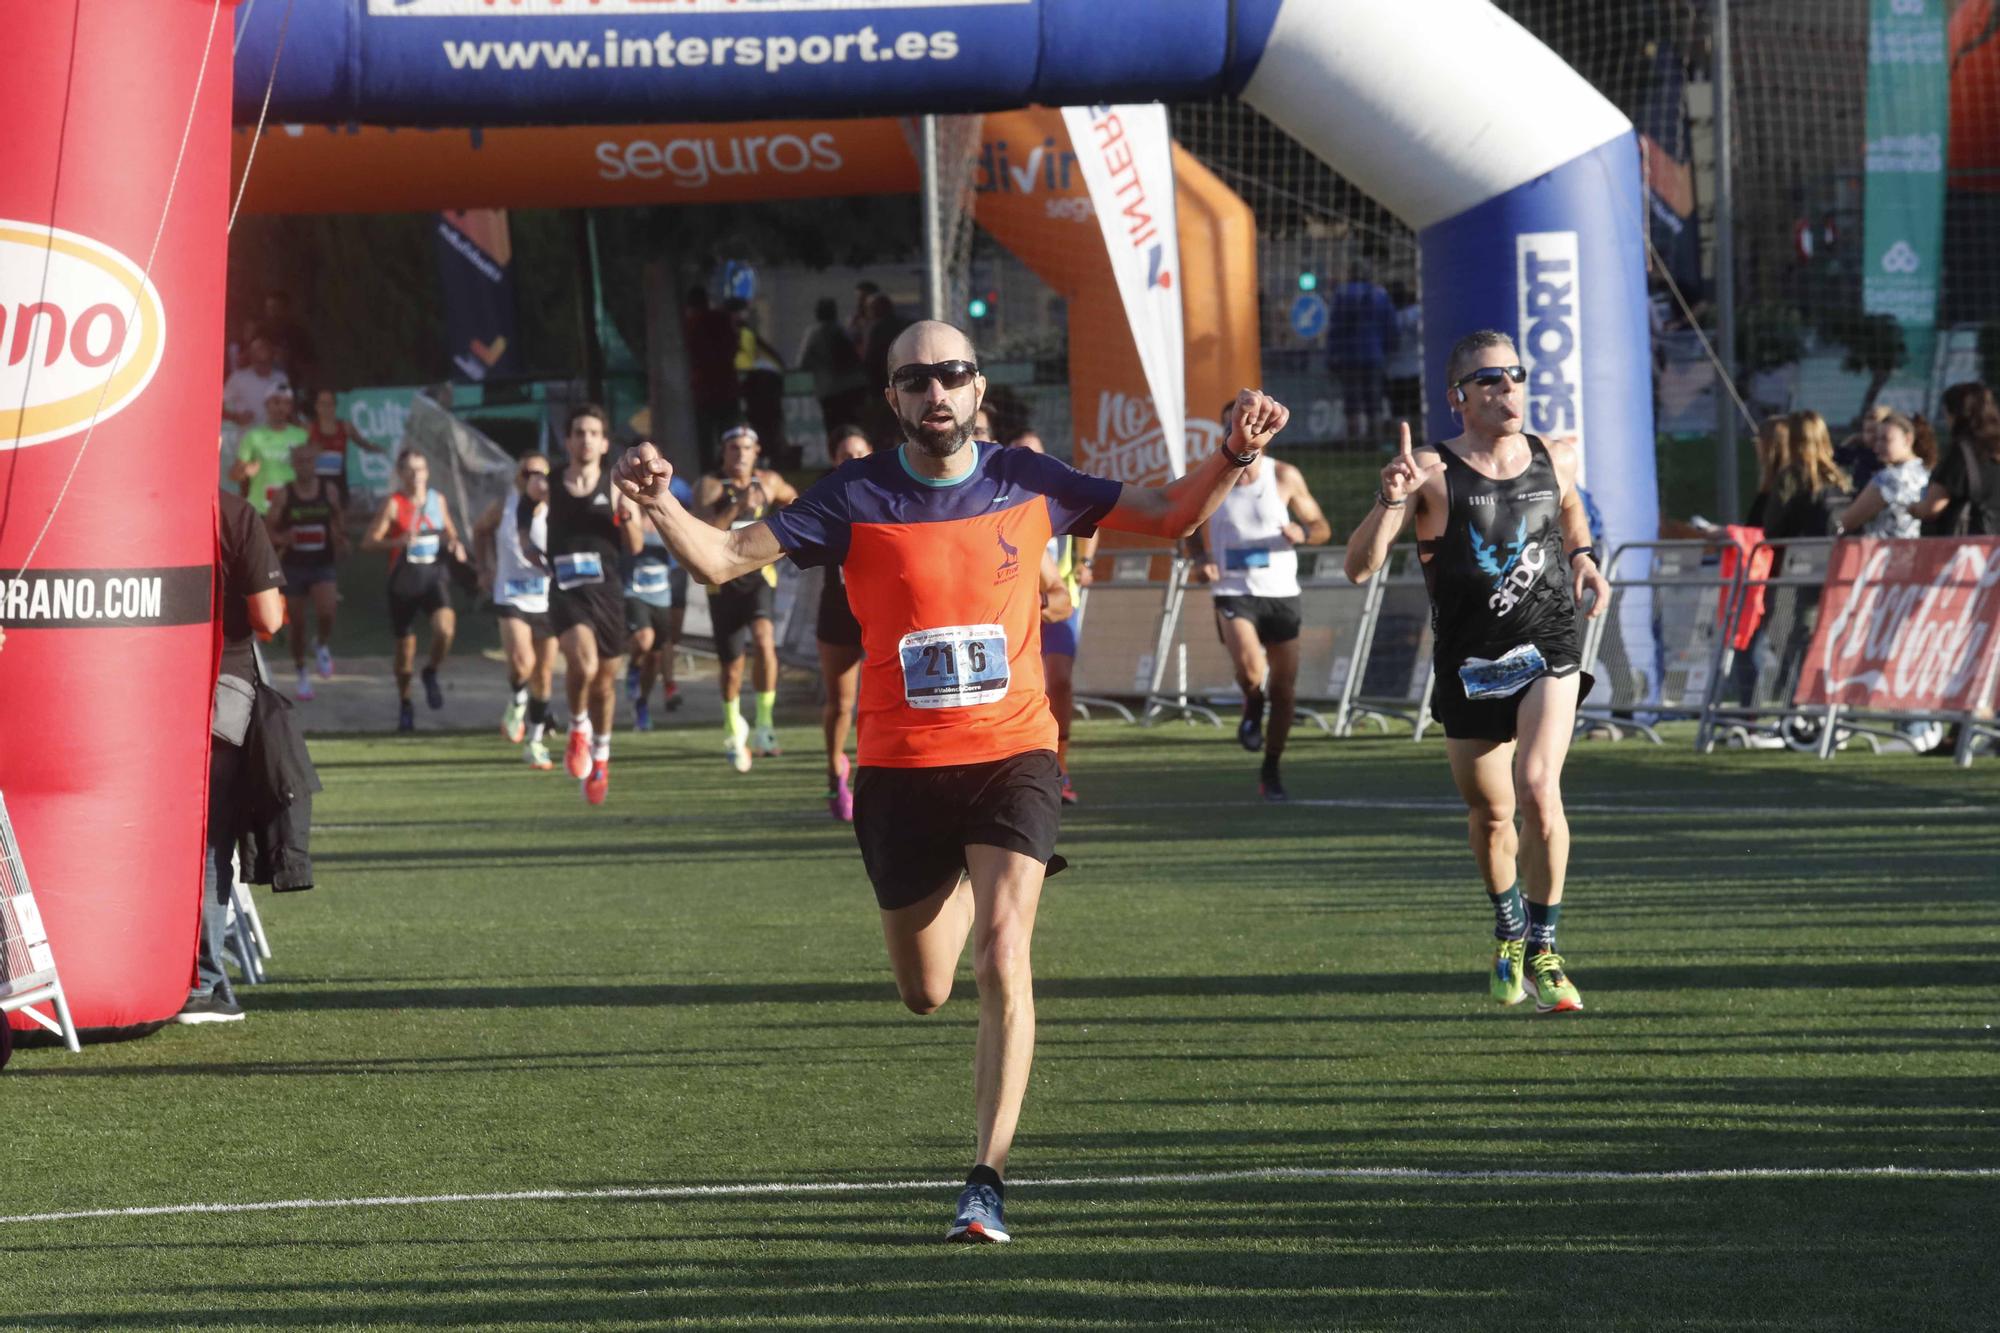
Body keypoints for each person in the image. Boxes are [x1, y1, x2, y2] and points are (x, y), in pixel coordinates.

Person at [613, 317, 1290, 1244]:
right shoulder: (854, 495)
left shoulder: (1032, 480)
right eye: (917, 378)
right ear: (892, 398)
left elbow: (1170, 515)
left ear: (980, 389)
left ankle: (986, 1179)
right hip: (899, 770)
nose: (938, 391)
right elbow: (724, 558)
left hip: (1013, 757)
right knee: (927, 990)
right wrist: (658, 503)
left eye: (955, 374)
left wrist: (1231, 455)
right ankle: (974, 884)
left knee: (1003, 955)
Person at [1342, 329, 1609, 1017]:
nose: (1508, 388)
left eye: (1515, 374)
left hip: (1549, 646)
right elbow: (1359, 566)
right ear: (1459, 397)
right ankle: (1510, 926)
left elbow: (1571, 504)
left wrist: (1581, 554)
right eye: (1490, 379)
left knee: (1537, 786)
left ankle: (1546, 948)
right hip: (1470, 663)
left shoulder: (1558, 453)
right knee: (1492, 814)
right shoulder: (1431, 470)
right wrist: (1389, 500)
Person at [1193, 400, 1332, 802]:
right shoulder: (1211, 474)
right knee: (1253, 671)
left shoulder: (1284, 476)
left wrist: (1302, 535)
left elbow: (1321, 526)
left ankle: (1271, 768)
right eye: (1230, 426)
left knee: (1285, 690)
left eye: (1250, 424)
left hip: (1280, 592)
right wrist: (1201, 560)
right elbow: (1187, 520)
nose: (1239, 432)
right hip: (1233, 591)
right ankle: (1252, 702)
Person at [182, 488, 286, 1024]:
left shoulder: (133, 492)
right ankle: (201, 980)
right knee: (210, 841)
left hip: (137, 689)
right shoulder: (230, 511)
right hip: (223, 685)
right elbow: (268, 617)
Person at [534, 404, 644, 804]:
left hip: (607, 593)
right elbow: (524, 516)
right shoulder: (549, 484)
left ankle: (601, 756)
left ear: (603, 443)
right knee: (583, 662)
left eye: (592, 432)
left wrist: (628, 515)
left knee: (604, 685)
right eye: (578, 432)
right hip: (566, 591)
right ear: (567, 441)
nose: (584, 439)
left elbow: (634, 546)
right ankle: (578, 728)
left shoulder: (616, 487)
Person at [697, 424, 799, 771]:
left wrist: (785, 532)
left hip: (759, 579)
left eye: (746, 448)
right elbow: (705, 530)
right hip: (723, 584)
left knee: (765, 642)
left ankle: (765, 726)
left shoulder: (768, 482)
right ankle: (732, 727)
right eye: (733, 448)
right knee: (732, 666)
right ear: (723, 453)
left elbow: (797, 501)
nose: (740, 454)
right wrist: (740, 505)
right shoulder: (711, 485)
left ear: (757, 452)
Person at [1006, 428, 1095, 802]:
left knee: (1058, 683)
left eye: (1036, 454)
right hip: (1009, 611)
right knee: (1020, 690)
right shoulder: (997, 500)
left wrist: (1085, 562)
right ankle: (1017, 772)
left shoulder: (1060, 493)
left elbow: (1093, 518)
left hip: (1057, 604)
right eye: (1020, 454)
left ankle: (1061, 767)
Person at [364, 449, 466, 733]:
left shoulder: (437, 500)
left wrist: (455, 545)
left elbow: (450, 532)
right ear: (400, 474)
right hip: (404, 581)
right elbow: (369, 541)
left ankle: (431, 670)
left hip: (433, 576)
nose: (416, 475)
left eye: (420, 469)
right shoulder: (394, 504)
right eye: (409, 469)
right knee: (404, 653)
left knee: (445, 629)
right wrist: (396, 541)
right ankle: (406, 702)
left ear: (427, 472)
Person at [474, 453, 561, 769]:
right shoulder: (505, 506)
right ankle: (517, 700)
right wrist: (484, 567)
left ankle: (535, 742)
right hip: (512, 595)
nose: (535, 478)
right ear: (519, 475)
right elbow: (480, 529)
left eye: (542, 473)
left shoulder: (555, 508)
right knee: (522, 663)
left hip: (546, 597)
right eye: (529, 472)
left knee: (544, 673)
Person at [815, 427, 874, 821]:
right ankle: (836, 770)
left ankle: (888, 775)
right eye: (844, 454)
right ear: (834, 460)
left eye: (859, 453)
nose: (851, 460)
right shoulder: (825, 498)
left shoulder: (887, 495)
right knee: (842, 703)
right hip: (839, 610)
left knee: (896, 699)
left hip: (882, 609)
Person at [266, 440, 347, 701]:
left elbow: (338, 521)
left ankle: (322, 644)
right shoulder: (285, 495)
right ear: (292, 465)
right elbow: (268, 530)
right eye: (299, 462)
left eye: (309, 461)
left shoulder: (329, 491)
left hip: (322, 563)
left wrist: (340, 539)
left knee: (327, 610)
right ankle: (301, 670)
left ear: (316, 463)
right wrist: (282, 538)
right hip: (294, 565)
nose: (305, 466)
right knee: (297, 624)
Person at [622, 439, 694, 732]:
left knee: (659, 650)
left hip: (664, 585)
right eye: (640, 463)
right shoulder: (624, 493)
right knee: (643, 639)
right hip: (633, 585)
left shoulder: (675, 491)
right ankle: (632, 668)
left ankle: (643, 702)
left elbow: (690, 522)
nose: (647, 469)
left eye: (653, 462)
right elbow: (632, 543)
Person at [1913, 385, 2000, 536]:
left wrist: (1912, 508)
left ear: (1955, 414)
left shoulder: (1962, 454)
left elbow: (1932, 508)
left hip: (1964, 549)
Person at [1326, 263, 1397, 441]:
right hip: (1374, 353)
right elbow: (1391, 325)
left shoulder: (1342, 293)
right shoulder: (1379, 294)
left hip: (1348, 354)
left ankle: (1354, 439)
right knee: (1375, 398)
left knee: (1352, 399)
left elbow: (1334, 327)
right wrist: (1388, 348)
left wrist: (1332, 354)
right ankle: (1376, 437)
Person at [1837, 411, 1935, 538]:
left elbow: (1847, 522)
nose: (1877, 447)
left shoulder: (1889, 478)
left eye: (1885, 439)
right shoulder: (1926, 472)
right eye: (1877, 439)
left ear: (1908, 439)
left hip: (1884, 553)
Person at [797, 297, 870, 450]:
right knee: (854, 426)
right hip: (852, 388)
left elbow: (803, 363)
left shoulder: (814, 333)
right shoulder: (843, 330)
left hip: (830, 391)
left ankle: (841, 457)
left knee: (835, 429)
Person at [683, 287, 742, 473]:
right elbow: (733, 346)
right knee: (729, 435)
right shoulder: (722, 319)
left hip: (705, 391)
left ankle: (711, 472)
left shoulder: (692, 323)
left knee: (706, 440)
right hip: (727, 388)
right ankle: (729, 469)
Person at [304, 387, 388, 510]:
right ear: (316, 406)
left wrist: (379, 449)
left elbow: (363, 444)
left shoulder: (346, 426)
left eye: (330, 404)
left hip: (339, 481)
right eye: (323, 404)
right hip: (317, 483)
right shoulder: (308, 428)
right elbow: (299, 454)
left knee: (340, 517)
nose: (326, 408)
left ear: (335, 406)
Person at [231, 384, 307, 514]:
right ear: (266, 404)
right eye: (276, 402)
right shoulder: (253, 436)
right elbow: (234, 475)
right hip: (260, 510)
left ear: (290, 407)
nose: (281, 408)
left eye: (286, 403)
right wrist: (245, 471)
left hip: (292, 508)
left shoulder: (301, 436)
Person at [221, 333, 289, 428]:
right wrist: (235, 417)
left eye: (266, 362)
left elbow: (288, 407)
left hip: (275, 439)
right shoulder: (238, 378)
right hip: (246, 439)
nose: (263, 367)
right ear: (251, 357)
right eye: (259, 362)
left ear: (272, 356)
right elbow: (217, 407)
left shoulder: (281, 378)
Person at [1384, 282, 1424, 440]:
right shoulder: (1416, 314)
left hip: (1395, 371)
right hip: (1414, 368)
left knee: (1400, 412)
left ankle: (1401, 441)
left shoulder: (1390, 317)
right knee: (1415, 410)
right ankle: (1418, 438)